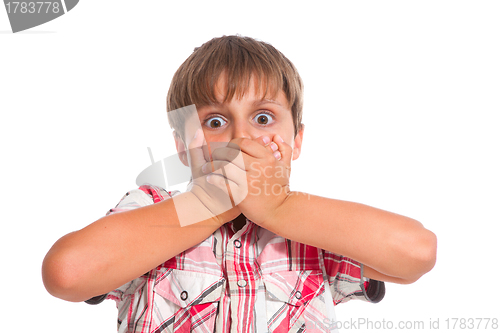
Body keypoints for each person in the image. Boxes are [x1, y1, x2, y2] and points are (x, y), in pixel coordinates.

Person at [42, 35, 437, 332]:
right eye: (215, 122)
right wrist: (212, 203)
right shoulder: (150, 208)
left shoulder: (314, 232)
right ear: (182, 148)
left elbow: (416, 252)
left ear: (296, 140)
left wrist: (279, 208)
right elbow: (66, 274)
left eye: (263, 118)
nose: (241, 138)